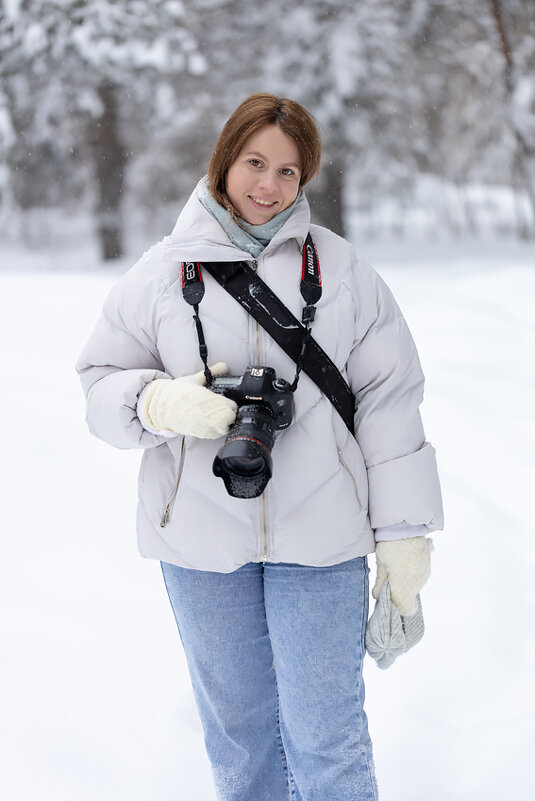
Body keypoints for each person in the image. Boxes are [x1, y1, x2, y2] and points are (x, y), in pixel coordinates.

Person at [76, 93, 443, 801]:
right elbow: (98, 384)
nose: (267, 185)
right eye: (254, 162)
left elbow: (390, 403)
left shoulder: (342, 273)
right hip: (200, 545)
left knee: (326, 741)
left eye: (287, 171)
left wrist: (402, 539)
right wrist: (154, 401)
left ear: (305, 180)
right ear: (225, 159)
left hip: (323, 537)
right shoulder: (161, 272)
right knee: (241, 742)